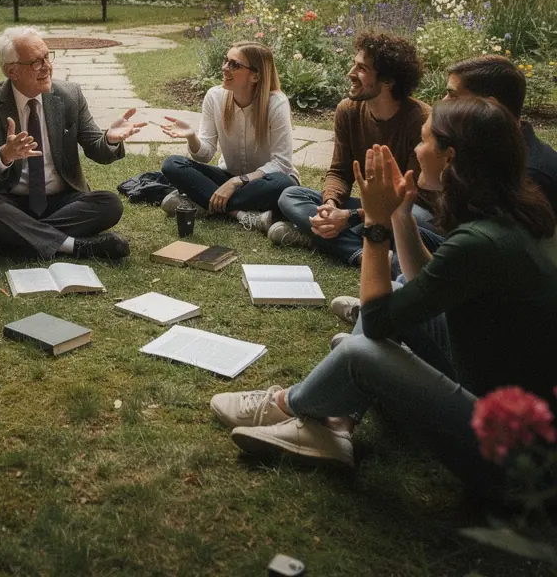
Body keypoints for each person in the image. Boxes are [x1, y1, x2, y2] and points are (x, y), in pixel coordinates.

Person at [210, 97, 557, 495]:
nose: (415, 150)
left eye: (425, 141)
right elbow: (426, 282)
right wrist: (399, 214)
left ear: (451, 157)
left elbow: (375, 320)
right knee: (392, 293)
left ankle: (289, 405)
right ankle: (335, 426)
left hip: (514, 462)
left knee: (361, 352)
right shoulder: (507, 219)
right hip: (496, 402)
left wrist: (375, 224)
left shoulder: (480, 242)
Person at [0, 26, 146, 260]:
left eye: (47, 56)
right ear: (12, 71)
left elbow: (96, 149)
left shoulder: (69, 95)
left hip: (61, 200)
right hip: (8, 199)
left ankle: (8, 237)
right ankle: (75, 247)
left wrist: (110, 140)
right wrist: (5, 155)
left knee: (109, 203)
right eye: (36, 62)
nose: (47, 67)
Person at [271, 32, 436, 265]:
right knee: (291, 195)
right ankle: (358, 251)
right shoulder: (348, 110)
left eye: (362, 68)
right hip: (370, 209)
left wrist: (348, 217)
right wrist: (330, 206)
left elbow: (413, 198)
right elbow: (340, 172)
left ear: (388, 80)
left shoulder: (420, 120)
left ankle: (319, 237)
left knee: (412, 218)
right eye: (353, 64)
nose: (351, 73)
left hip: (410, 210)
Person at [159, 42, 298, 232]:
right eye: (226, 61)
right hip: (227, 178)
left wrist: (236, 182)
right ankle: (240, 214)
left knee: (284, 183)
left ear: (255, 76)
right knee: (172, 164)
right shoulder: (214, 97)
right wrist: (192, 137)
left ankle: (203, 202)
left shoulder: (276, 103)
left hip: (263, 183)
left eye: (235, 65)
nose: (225, 68)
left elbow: (282, 164)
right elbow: (205, 155)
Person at [446, 54, 557, 214]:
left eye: (453, 95)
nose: (442, 103)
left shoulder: (529, 176)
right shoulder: (494, 148)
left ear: (491, 105)